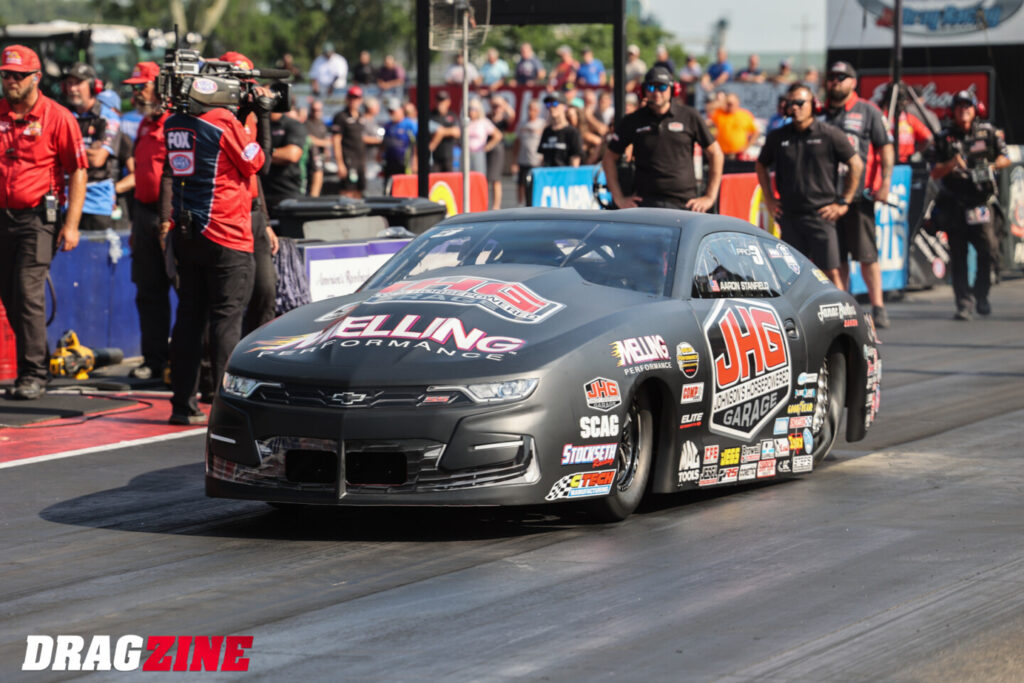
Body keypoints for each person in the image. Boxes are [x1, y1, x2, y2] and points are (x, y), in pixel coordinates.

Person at [159, 62, 271, 424]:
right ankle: (228, 409)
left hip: (187, 232)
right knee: (226, 321)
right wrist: (260, 117)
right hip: (226, 233)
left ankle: (182, 405)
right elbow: (257, 162)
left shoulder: (173, 123)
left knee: (189, 319)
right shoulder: (222, 121)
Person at [0, 45, 87, 400]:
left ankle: (33, 373)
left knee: (27, 291)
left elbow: (78, 169)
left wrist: (72, 224)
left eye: (18, 76)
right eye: (6, 75)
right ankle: (35, 363)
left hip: (39, 218)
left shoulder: (58, 117)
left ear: (36, 78)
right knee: (10, 295)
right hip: (2, 217)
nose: (11, 81)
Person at [756, 84, 863, 288]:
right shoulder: (777, 136)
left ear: (813, 105)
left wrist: (844, 201)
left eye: (800, 103)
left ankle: (842, 309)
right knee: (791, 276)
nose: (795, 107)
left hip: (821, 215)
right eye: (791, 103)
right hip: (789, 217)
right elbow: (761, 165)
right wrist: (769, 199)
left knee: (830, 273)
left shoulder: (829, 134)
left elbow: (856, 164)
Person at [824, 60, 895, 328]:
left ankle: (878, 307)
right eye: (832, 77)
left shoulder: (868, 111)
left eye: (842, 77)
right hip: (828, 196)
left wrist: (885, 183)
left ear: (853, 82)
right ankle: (844, 307)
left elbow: (885, 146)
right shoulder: (819, 113)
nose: (836, 82)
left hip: (859, 195)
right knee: (836, 258)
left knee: (866, 255)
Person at [930, 89, 1010, 320]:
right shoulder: (943, 137)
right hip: (954, 203)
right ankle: (963, 303)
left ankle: (981, 294)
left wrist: (990, 166)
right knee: (958, 255)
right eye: (959, 107)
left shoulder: (988, 132)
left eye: (967, 106)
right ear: (952, 111)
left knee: (988, 251)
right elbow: (934, 171)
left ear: (975, 110)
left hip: (980, 202)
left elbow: (1005, 157)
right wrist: (952, 164)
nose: (963, 111)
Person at [602, 66, 724, 211]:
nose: (656, 92)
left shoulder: (689, 116)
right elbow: (609, 158)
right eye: (651, 87)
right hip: (645, 203)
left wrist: (710, 197)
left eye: (662, 87)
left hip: (685, 203)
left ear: (673, 90)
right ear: (643, 91)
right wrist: (619, 198)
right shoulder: (633, 120)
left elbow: (716, 153)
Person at [121, 62, 171, 381]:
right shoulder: (143, 125)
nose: (137, 94)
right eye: (134, 88)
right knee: (148, 292)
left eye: (142, 86)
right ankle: (154, 360)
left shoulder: (175, 123)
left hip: (171, 217)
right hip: (143, 214)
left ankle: (187, 363)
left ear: (160, 87)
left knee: (187, 292)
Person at [62, 62, 123, 231]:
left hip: (97, 203)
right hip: (64, 200)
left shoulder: (107, 117)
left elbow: (97, 159)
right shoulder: (62, 116)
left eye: (78, 83)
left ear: (92, 86)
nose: (72, 88)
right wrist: (87, 149)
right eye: (69, 83)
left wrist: (66, 149)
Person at [263, 104, 308, 214]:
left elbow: (291, 155)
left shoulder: (293, 125)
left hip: (288, 192)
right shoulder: (256, 125)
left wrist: (259, 153)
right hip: (261, 194)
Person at [331, 86, 370, 197]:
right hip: (348, 159)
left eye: (357, 98)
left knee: (360, 190)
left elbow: (362, 139)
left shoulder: (361, 117)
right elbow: (336, 141)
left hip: (360, 160)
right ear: (347, 98)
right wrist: (340, 164)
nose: (354, 100)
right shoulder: (341, 117)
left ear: (361, 100)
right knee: (347, 191)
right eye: (352, 97)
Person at [511, 99, 545, 205]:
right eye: (529, 109)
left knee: (534, 186)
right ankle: (520, 205)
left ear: (538, 111)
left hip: (536, 161)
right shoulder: (522, 124)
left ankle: (534, 205)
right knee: (521, 184)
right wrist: (514, 161)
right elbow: (517, 142)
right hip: (523, 160)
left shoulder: (542, 124)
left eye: (534, 110)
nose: (531, 112)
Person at [537, 92, 582, 167]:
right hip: (548, 173)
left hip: (564, 173)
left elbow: (575, 161)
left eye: (555, 104)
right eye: (548, 104)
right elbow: (543, 159)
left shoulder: (572, 132)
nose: (551, 108)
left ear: (564, 107)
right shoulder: (547, 131)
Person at [709, 92, 759, 158]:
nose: (728, 105)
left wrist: (747, 146)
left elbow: (755, 132)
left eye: (730, 104)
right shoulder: (719, 113)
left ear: (737, 103)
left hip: (738, 153)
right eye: (727, 103)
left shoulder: (744, 115)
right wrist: (722, 102)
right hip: (722, 152)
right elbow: (709, 108)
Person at [487, 93, 514, 209]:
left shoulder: (504, 120)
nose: (496, 108)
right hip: (486, 149)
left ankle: (496, 206)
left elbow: (512, 115)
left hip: (497, 150)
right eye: (494, 106)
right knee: (485, 178)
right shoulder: (488, 117)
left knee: (496, 179)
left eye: (498, 106)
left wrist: (504, 105)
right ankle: (485, 203)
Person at [381, 98, 417, 182]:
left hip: (405, 164)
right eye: (390, 111)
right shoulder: (388, 126)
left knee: (405, 186)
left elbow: (416, 144)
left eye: (393, 111)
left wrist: (415, 161)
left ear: (401, 110)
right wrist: (380, 153)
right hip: (389, 163)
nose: (391, 114)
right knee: (389, 186)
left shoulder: (410, 125)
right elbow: (384, 142)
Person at [428, 91, 460, 173]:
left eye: (443, 101)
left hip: (449, 156)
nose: (440, 103)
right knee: (434, 179)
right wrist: (447, 131)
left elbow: (457, 132)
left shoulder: (452, 115)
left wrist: (441, 132)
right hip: (434, 157)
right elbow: (428, 132)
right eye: (439, 100)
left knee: (450, 178)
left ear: (448, 102)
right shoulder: (431, 115)